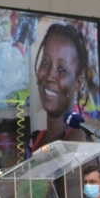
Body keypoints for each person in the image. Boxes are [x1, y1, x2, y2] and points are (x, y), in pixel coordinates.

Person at [25, 22, 90, 157]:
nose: (50, 76)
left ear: (77, 83)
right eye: (46, 63)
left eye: (62, 69)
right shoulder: (37, 139)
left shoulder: (76, 141)